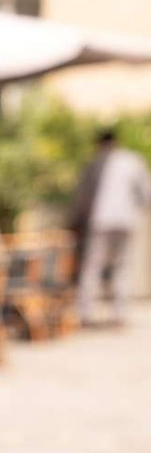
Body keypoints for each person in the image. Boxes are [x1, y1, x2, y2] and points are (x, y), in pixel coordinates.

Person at [71, 129, 151, 326]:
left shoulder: (95, 162)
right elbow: (146, 194)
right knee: (121, 266)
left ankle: (86, 313)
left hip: (100, 221)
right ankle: (119, 314)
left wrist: (76, 220)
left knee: (93, 266)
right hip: (125, 220)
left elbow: (82, 196)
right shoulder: (132, 160)